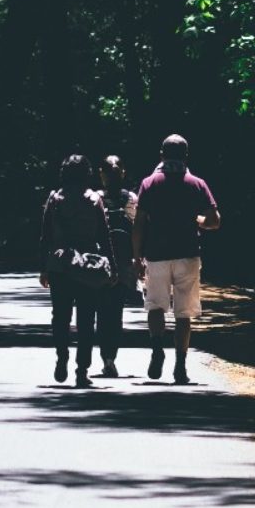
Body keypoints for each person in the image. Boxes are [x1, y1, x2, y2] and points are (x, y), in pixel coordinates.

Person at [132, 134, 220, 384]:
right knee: (184, 313)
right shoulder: (197, 184)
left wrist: (137, 257)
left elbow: (138, 223)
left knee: (155, 306)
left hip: (156, 256)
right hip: (188, 255)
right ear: (186, 156)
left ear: (161, 155)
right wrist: (197, 220)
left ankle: (157, 348)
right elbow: (214, 221)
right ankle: (180, 366)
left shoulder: (149, 183)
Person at [39, 154, 115, 388]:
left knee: (60, 316)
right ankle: (82, 369)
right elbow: (104, 234)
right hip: (87, 266)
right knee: (86, 319)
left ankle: (62, 357)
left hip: (60, 265)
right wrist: (111, 265)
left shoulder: (54, 198)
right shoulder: (94, 199)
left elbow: (46, 236)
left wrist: (43, 268)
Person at [96, 155, 138, 377]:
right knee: (115, 312)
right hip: (122, 264)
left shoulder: (94, 198)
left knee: (101, 312)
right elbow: (138, 230)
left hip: (99, 264)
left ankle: (107, 357)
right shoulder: (131, 199)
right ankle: (110, 357)